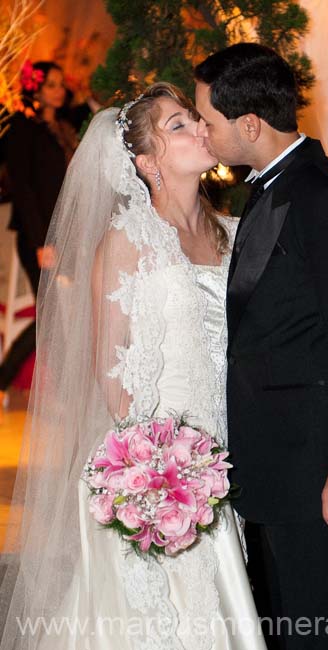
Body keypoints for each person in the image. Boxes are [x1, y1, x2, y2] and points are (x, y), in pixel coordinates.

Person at [0, 82, 267, 649]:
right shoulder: (127, 240)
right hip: (162, 472)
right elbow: (110, 369)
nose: (199, 128)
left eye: (194, 118)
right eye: (178, 126)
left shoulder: (235, 233)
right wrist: (152, 471)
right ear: (147, 162)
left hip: (226, 446)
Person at [195, 43, 328, 650]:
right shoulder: (271, 186)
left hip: (325, 476)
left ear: (250, 124)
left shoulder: (325, 196)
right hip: (285, 470)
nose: (205, 135)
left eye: (209, 121)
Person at [0, 61, 77, 410]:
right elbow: (25, 189)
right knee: (51, 315)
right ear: (35, 88)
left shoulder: (60, 128)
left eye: (61, 84)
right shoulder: (22, 128)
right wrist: (39, 243)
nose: (59, 90)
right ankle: (5, 380)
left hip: (64, 235)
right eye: (51, 85)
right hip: (41, 238)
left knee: (59, 314)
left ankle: (63, 395)